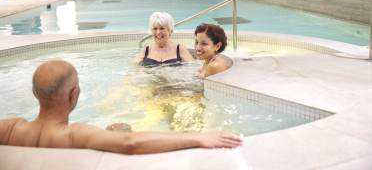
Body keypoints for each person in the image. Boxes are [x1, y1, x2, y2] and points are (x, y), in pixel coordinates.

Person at [0, 60, 242, 154]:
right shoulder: (75, 134)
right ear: (75, 95)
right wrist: (198, 138)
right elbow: (130, 143)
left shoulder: (11, 128)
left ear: (34, 93)